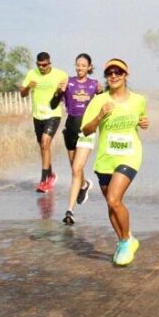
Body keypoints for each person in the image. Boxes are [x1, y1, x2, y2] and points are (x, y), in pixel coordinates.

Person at [80, 58, 149, 266]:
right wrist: (100, 115)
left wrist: (144, 123)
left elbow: (142, 118)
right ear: (106, 77)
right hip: (105, 160)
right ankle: (123, 241)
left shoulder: (138, 100)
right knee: (111, 205)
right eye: (109, 73)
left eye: (118, 72)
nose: (114, 76)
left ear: (125, 75)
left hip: (130, 155)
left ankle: (127, 240)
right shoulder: (98, 101)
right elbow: (86, 130)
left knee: (113, 199)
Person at [55, 53, 102, 226]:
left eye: (83, 65)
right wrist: (57, 91)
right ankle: (84, 185)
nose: (80, 68)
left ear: (89, 67)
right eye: (77, 65)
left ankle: (69, 211)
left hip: (87, 131)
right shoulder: (68, 82)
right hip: (70, 129)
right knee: (74, 167)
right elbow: (54, 104)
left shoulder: (95, 85)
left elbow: (106, 99)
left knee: (76, 169)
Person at [20, 52, 69, 193]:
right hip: (37, 116)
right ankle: (51, 174)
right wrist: (28, 86)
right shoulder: (31, 74)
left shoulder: (61, 75)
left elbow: (68, 92)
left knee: (45, 142)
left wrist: (61, 90)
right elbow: (22, 94)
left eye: (44, 65)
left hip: (53, 114)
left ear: (49, 63)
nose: (41, 68)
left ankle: (44, 181)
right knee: (43, 146)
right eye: (39, 65)